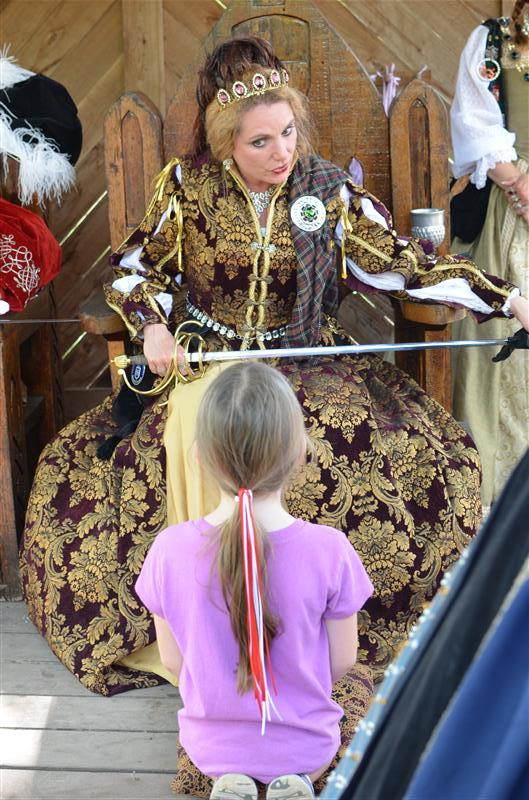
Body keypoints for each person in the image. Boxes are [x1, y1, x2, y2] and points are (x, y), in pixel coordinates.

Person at [19, 35, 529, 696]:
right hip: (209, 358)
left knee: (352, 447)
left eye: (288, 133)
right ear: (225, 142)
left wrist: (508, 299)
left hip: (306, 360)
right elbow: (134, 271)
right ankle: (210, 634)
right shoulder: (189, 190)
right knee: (190, 431)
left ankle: (308, 634)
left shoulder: (328, 192)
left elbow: (404, 265)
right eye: (260, 142)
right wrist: (152, 326)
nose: (281, 152)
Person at [136, 360, 374, 800]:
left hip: (210, 749)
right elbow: (342, 661)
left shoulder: (168, 550)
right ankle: (298, 781)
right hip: (307, 746)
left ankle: (231, 780)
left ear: (199, 456)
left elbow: (173, 662)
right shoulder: (330, 549)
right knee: (359, 688)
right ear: (299, 451)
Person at [450, 0, 529, 507]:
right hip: (510, 211)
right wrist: (521, 186)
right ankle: (497, 509)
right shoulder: (496, 41)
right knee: (503, 359)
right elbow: (474, 121)